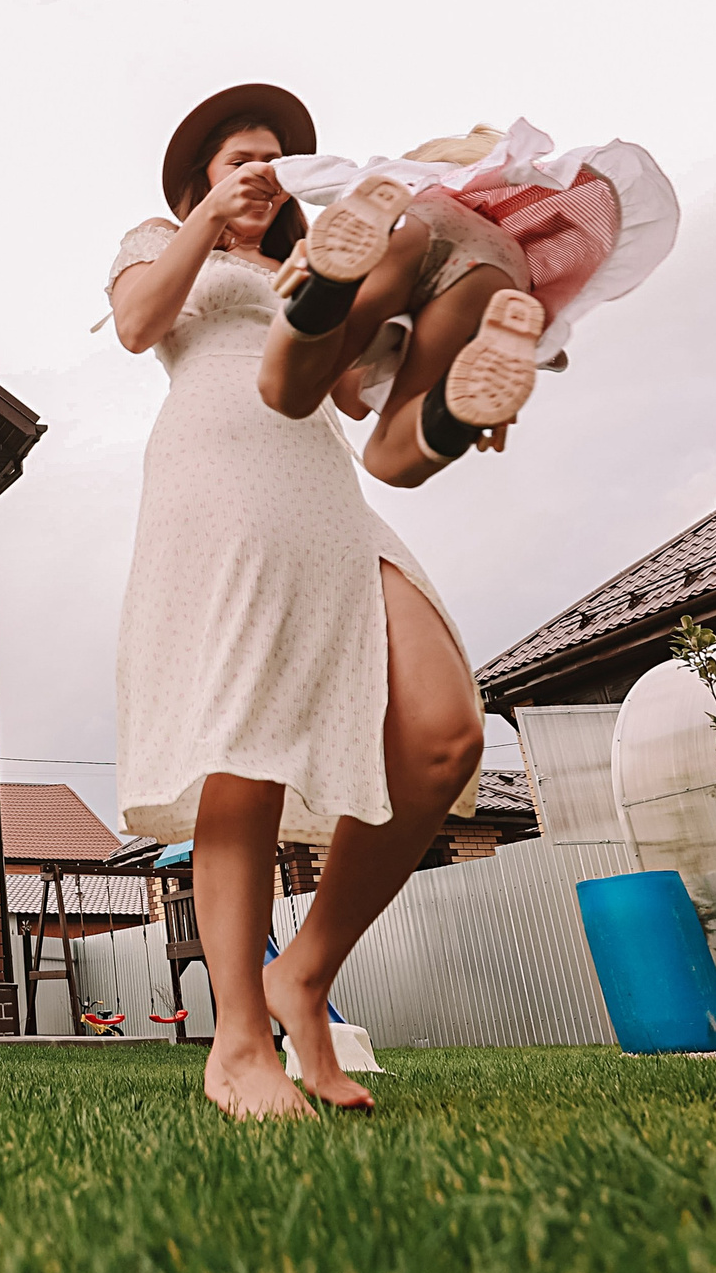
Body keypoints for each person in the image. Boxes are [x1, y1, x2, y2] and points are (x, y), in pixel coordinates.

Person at [105, 83, 486, 1120]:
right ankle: (237, 1046)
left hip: (323, 490)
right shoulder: (160, 240)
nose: (263, 173)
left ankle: (303, 973)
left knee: (445, 735)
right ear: (203, 177)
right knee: (246, 749)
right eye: (241, 159)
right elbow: (139, 324)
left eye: (277, 162)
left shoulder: (316, 268)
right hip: (215, 487)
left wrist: (439, 343)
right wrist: (203, 223)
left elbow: (361, 397)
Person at [258, 118, 679, 482]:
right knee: (387, 456)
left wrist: (275, 172)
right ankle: (450, 416)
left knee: (288, 394)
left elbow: (326, 173)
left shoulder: (401, 179)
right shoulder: (499, 195)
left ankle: (330, 284)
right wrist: (503, 365)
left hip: (414, 223)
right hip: (503, 269)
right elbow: (542, 348)